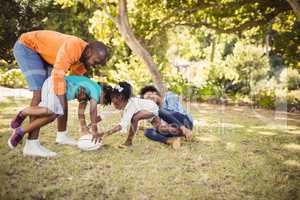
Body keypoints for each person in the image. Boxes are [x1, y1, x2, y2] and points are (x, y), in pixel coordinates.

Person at [12, 30, 109, 149]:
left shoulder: (83, 64)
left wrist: (79, 95)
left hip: (44, 56)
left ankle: (62, 135)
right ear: (88, 52)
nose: (95, 66)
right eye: (96, 62)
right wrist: (61, 106)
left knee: (62, 95)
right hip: (28, 47)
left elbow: (70, 83)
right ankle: (31, 144)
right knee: (39, 93)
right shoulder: (73, 46)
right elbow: (58, 75)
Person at [8, 76, 112, 157]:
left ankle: (21, 127)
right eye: (103, 101)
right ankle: (23, 114)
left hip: (52, 85)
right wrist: (95, 130)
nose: (99, 103)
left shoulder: (87, 92)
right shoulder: (96, 88)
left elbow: (81, 113)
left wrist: (84, 130)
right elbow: (93, 110)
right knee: (52, 111)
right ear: (104, 92)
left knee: (51, 113)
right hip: (55, 84)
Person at [93, 82, 190, 149]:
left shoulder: (131, 105)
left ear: (122, 98)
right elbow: (104, 114)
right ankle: (180, 133)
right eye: (113, 99)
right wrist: (92, 122)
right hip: (148, 111)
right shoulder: (118, 102)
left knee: (135, 118)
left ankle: (129, 141)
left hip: (151, 108)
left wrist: (104, 134)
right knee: (160, 128)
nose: (114, 104)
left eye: (116, 101)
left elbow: (122, 125)